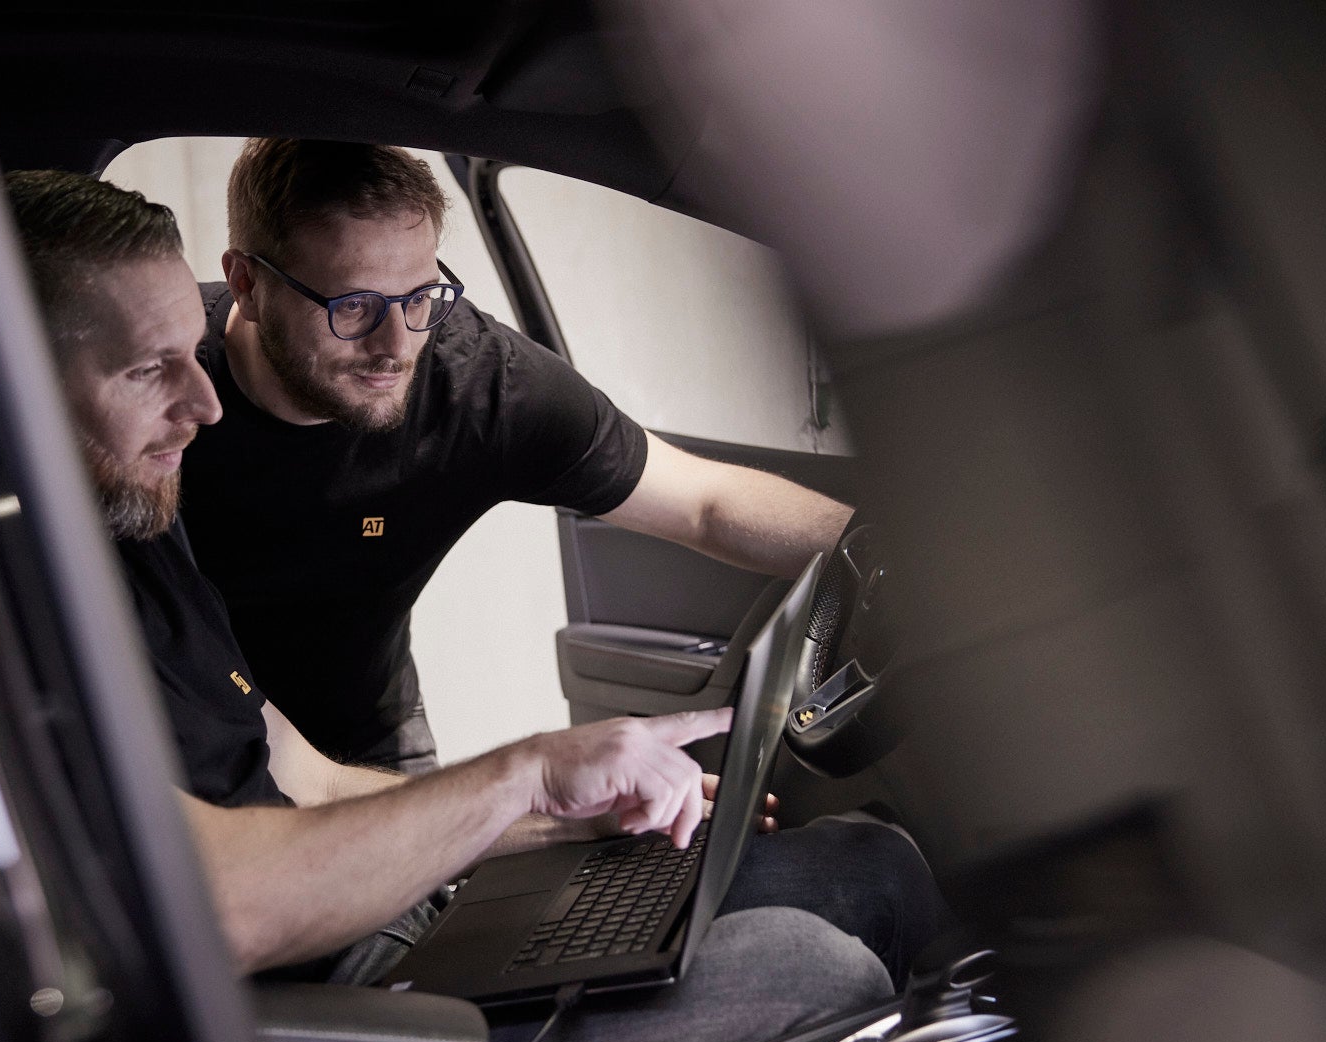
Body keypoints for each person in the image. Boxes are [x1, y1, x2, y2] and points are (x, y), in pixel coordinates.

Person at [6, 168, 940, 1042]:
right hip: (327, 1037)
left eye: (419, 299)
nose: (201, 405)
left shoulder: (138, 524)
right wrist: (526, 772)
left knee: (865, 868)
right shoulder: (3, 600)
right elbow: (225, 903)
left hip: (380, 878)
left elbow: (304, 776)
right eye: (149, 371)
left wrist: (553, 822)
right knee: (811, 969)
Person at [179, 138, 855, 774]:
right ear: (245, 283)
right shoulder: (154, 393)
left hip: (362, 738)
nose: (396, 345)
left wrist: (893, 557)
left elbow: (706, 506)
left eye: (420, 297)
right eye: (354, 307)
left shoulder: (476, 380)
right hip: (170, 741)